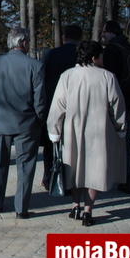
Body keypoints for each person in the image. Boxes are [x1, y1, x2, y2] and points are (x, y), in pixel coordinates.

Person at [47, 40, 126, 227]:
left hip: (72, 131)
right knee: (94, 171)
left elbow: (58, 106)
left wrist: (54, 131)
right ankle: (88, 210)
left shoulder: (67, 76)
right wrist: (121, 128)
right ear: (94, 57)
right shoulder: (107, 77)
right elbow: (117, 106)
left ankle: (75, 205)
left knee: (75, 169)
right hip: (100, 131)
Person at [0, 27, 45, 219]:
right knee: (25, 166)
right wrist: (40, 119)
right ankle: (21, 208)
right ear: (23, 42)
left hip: (0, 120)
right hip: (27, 122)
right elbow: (40, 99)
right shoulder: (35, 65)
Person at [40, 24, 82, 190]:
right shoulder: (81, 55)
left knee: (51, 142)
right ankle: (72, 179)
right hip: (77, 104)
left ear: (64, 37)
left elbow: (41, 77)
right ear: (80, 38)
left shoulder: (50, 54)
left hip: (53, 102)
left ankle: (49, 177)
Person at [101, 20, 130, 194]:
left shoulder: (112, 49)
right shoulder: (129, 47)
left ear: (113, 32)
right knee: (126, 138)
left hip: (116, 98)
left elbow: (110, 77)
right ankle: (128, 178)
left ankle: (110, 176)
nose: (103, 35)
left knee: (112, 140)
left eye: (105, 32)